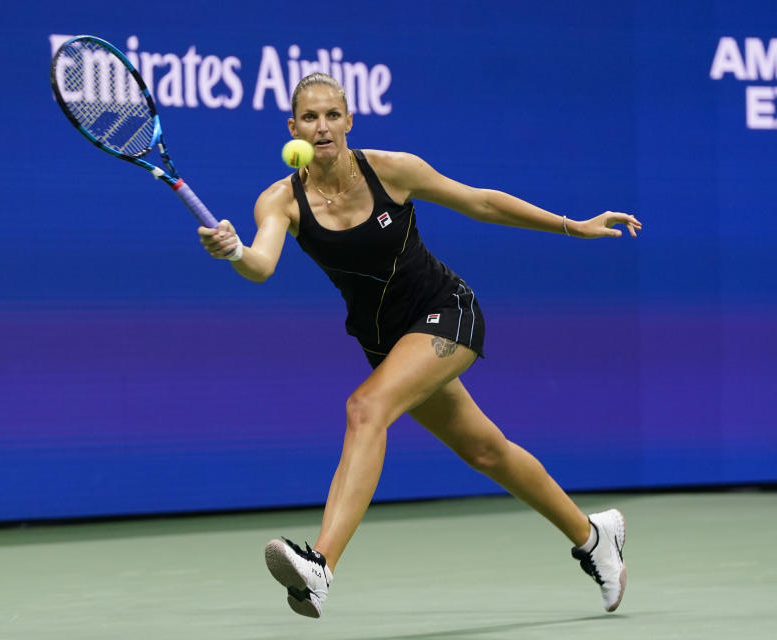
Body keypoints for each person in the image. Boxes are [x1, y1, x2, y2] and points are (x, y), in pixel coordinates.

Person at [198, 73, 641, 619]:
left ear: (349, 120)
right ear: (293, 129)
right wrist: (233, 251)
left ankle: (321, 567)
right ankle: (595, 537)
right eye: (309, 118)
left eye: (332, 115)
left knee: (365, 408)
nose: (322, 127)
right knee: (486, 451)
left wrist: (573, 226)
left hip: (447, 312)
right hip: (388, 342)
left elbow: (481, 203)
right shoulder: (281, 201)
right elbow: (260, 266)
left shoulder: (391, 170)